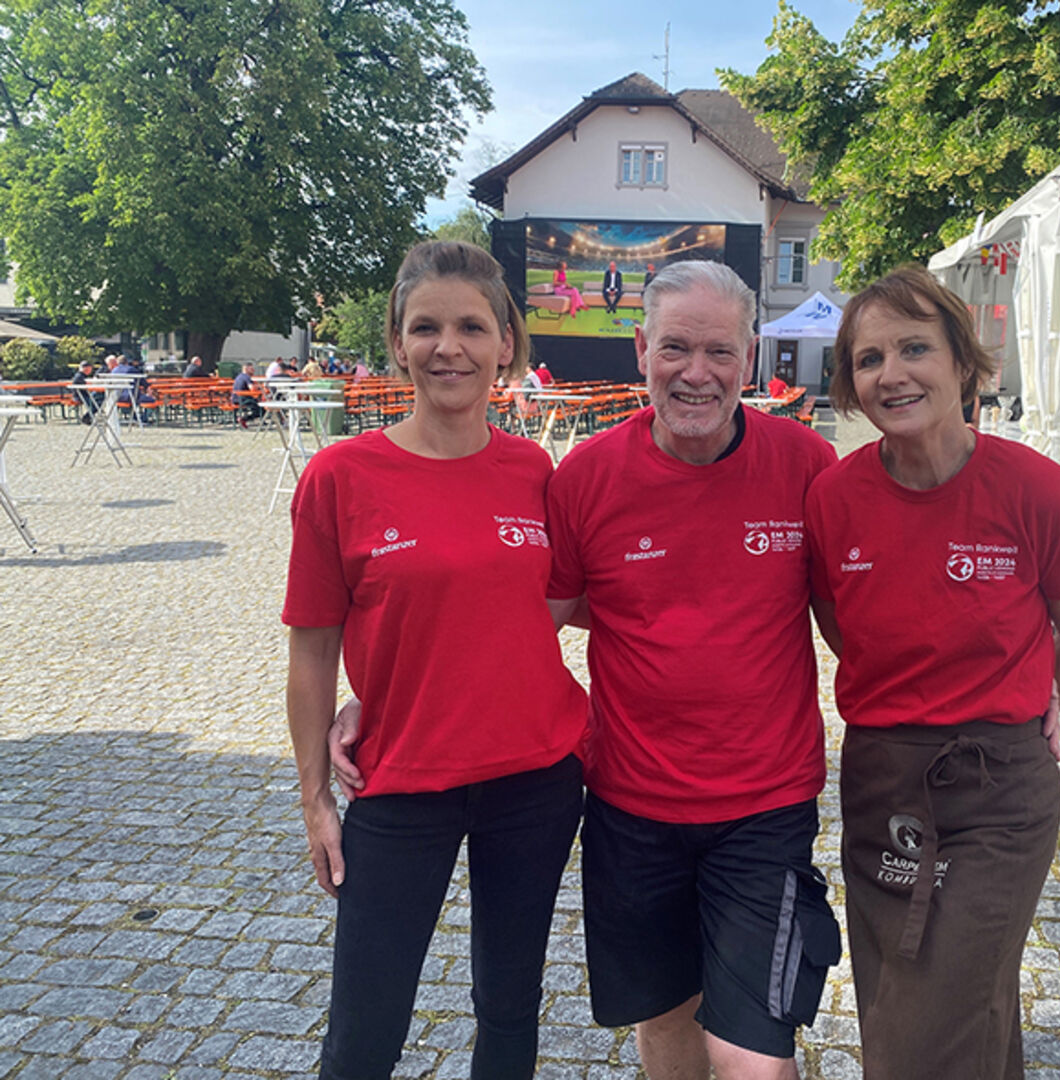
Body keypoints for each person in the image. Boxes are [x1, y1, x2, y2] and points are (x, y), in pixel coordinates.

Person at [332, 260, 842, 1080]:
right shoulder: (585, 479)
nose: (696, 373)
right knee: (665, 1019)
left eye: (719, 351)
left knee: (751, 1051)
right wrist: (378, 693)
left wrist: (1008, 692)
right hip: (629, 803)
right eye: (675, 347)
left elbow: (862, 614)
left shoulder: (808, 467)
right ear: (641, 350)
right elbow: (524, 617)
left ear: (749, 359)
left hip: (765, 804)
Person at [286, 240, 588, 1080]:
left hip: (534, 779)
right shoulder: (342, 476)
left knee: (509, 1009)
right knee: (365, 1028)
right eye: (425, 328)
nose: (446, 347)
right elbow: (311, 650)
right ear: (395, 342)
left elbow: (572, 604)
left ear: (507, 345)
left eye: (469, 327)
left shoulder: (535, 471)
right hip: (399, 782)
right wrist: (314, 795)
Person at [805, 266, 1060, 1080]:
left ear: (962, 364)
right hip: (883, 777)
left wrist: (1038, 699)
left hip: (999, 785)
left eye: (914, 348)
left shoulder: (1035, 490)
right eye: (868, 359)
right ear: (850, 384)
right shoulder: (834, 499)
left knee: (937, 1009)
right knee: (902, 988)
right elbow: (846, 627)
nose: (891, 373)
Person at [231, 362, 262, 428]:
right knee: (261, 408)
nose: (253, 371)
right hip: (242, 399)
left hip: (235, 398)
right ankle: (244, 419)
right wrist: (259, 387)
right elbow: (252, 388)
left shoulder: (239, 376)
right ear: (246, 369)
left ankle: (243, 419)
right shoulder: (246, 377)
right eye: (251, 369)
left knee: (257, 404)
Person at [70, 359, 101, 424]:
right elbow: (87, 387)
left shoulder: (80, 375)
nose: (90, 371)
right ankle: (86, 417)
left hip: (83, 395)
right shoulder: (80, 376)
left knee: (98, 399)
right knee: (96, 404)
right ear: (85, 368)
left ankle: (88, 417)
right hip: (80, 396)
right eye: (90, 369)